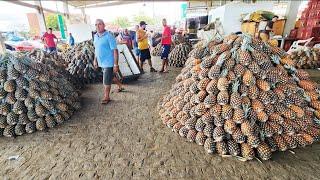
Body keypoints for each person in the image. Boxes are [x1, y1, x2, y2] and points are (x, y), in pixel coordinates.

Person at [93, 19, 124, 104]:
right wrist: (95, 60)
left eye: (99, 24)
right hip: (100, 62)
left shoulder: (109, 36)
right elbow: (96, 49)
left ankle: (107, 96)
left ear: (104, 25)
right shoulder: (95, 36)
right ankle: (120, 85)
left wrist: (116, 64)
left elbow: (115, 51)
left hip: (108, 62)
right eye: (96, 25)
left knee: (106, 80)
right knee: (110, 77)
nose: (97, 26)